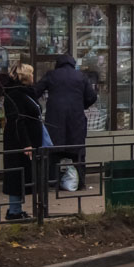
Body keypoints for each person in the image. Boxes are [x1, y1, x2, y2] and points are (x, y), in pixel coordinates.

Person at [34, 53, 97, 186]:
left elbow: (36, 92)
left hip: (55, 122)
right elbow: (92, 96)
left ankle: (51, 183)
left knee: (53, 154)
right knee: (77, 154)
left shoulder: (51, 75)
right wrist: (81, 106)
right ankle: (80, 183)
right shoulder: (81, 76)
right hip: (76, 122)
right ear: (73, 63)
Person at [0, 63, 42, 220]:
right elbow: (18, 120)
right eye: (31, 74)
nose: (33, 76)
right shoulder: (16, 94)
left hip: (26, 141)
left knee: (22, 176)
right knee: (17, 176)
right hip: (18, 142)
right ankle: (14, 211)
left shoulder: (26, 93)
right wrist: (26, 144)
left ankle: (16, 210)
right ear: (25, 77)